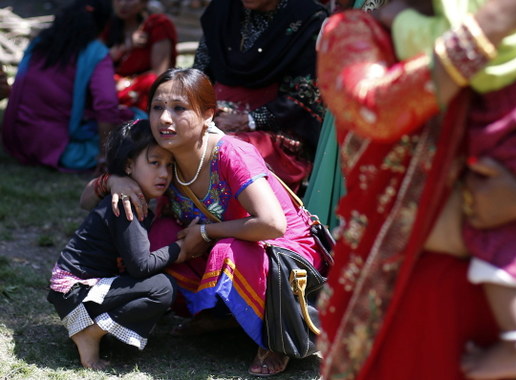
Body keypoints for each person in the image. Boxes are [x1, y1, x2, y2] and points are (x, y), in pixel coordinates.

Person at [315, 1, 516, 379]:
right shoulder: (354, 31)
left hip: (500, 294)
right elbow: (376, 108)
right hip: (396, 299)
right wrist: (491, 26)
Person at [80, 68, 326, 376]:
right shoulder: (161, 152)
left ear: (208, 114)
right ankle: (223, 317)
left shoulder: (230, 153)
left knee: (228, 250)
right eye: (157, 107)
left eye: (179, 108)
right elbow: (86, 200)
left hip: (281, 254)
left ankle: (274, 335)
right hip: (227, 246)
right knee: (160, 235)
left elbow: (272, 225)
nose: (165, 119)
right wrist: (113, 181)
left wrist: (207, 232)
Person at [47, 119, 190, 370]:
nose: (164, 174)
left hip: (77, 291)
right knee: (162, 288)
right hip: (76, 291)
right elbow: (141, 266)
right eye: (155, 163)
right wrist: (182, 249)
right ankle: (89, 334)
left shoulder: (137, 199)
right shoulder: (126, 204)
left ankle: (94, 328)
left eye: (170, 165)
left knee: (160, 284)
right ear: (128, 165)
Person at [192, 0, 328, 193]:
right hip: (214, 113)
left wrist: (250, 120)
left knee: (230, 150)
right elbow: (200, 70)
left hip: (278, 126)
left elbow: (304, 93)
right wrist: (201, 109)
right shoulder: (222, 9)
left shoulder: (307, 18)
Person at [1, 0, 137, 173]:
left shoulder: (40, 43)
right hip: (57, 148)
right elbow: (106, 105)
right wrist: (105, 156)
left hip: (16, 139)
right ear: (104, 24)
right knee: (136, 127)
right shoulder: (95, 52)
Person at [103, 0, 178, 111]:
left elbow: (159, 74)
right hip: (110, 88)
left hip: (141, 94)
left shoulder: (158, 25)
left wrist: (128, 84)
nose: (123, 4)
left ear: (144, 2)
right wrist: (126, 46)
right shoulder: (108, 25)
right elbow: (97, 62)